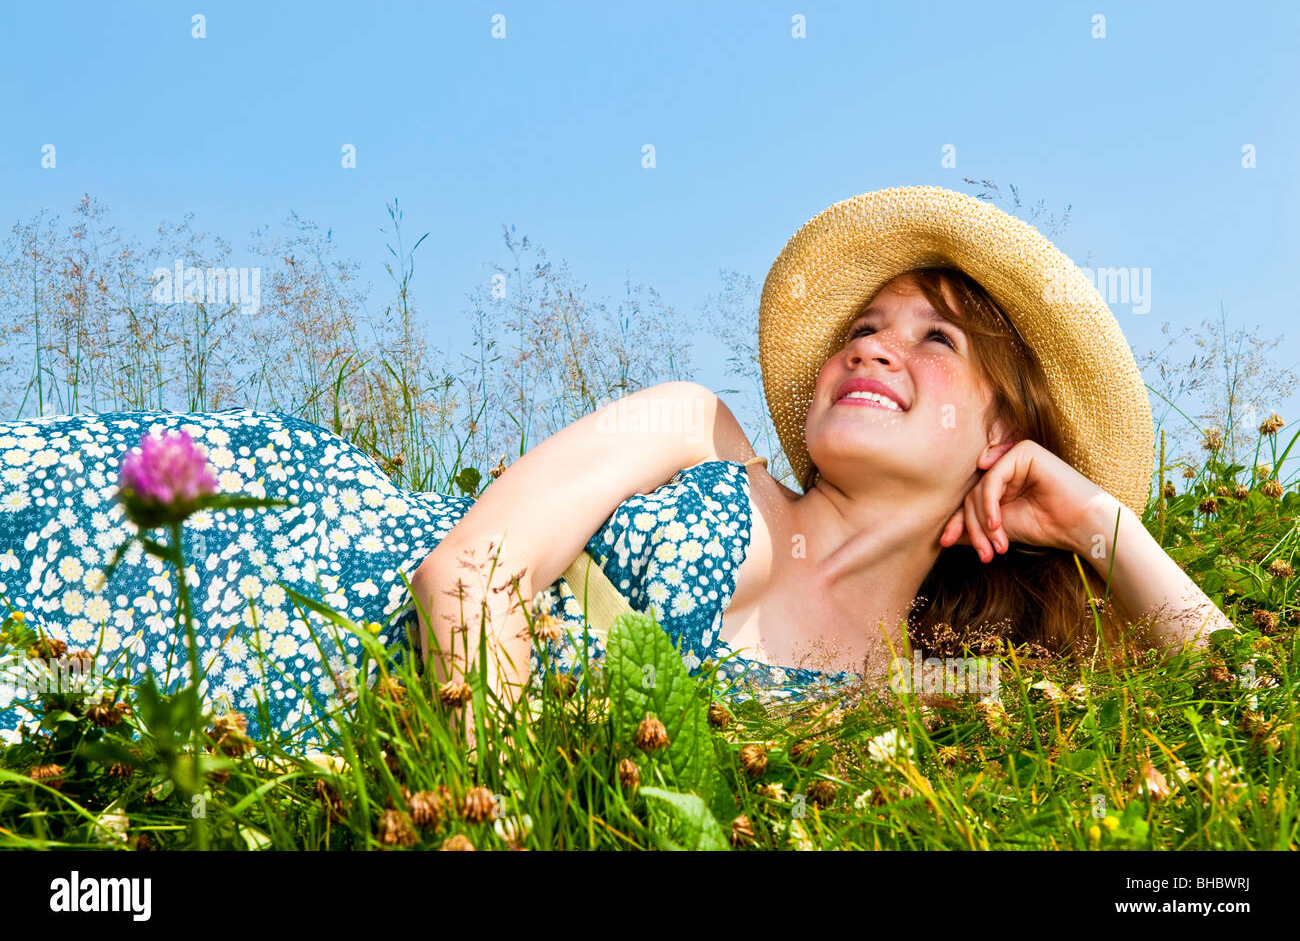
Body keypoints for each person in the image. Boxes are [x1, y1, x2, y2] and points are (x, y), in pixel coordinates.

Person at [0, 185, 1233, 750]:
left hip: (347, 741)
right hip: (284, 569)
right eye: (866, 323)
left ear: (996, 439)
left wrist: (1092, 513)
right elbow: (465, 578)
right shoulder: (690, 429)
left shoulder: (921, 696)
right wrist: (507, 801)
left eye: (934, 338)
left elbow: (1237, 696)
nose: (874, 342)